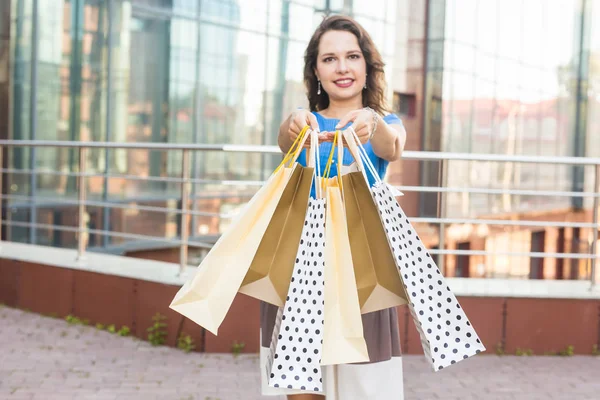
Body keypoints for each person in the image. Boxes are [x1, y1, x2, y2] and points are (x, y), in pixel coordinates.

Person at [260, 14, 407, 400]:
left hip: (361, 265)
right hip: (299, 262)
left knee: (363, 383)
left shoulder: (382, 121)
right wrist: (293, 122)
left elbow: (392, 146)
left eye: (352, 56)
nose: (342, 67)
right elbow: (282, 141)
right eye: (329, 59)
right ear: (316, 71)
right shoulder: (304, 122)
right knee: (300, 385)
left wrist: (372, 122)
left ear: (366, 66)